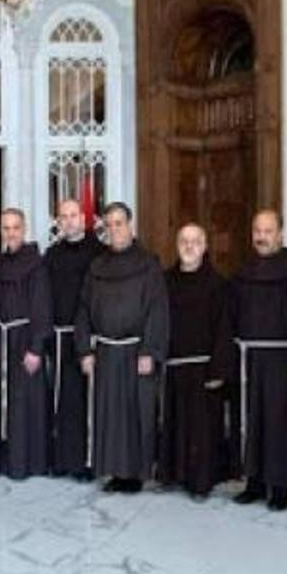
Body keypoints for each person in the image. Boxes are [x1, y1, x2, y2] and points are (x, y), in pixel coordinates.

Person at [75, 202, 168, 494]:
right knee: (110, 415)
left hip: (136, 352)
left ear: (130, 225)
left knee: (136, 413)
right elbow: (83, 309)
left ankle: (135, 474)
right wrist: (84, 350)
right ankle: (115, 471)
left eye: (119, 223)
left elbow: (157, 309)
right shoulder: (97, 266)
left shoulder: (148, 264)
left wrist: (150, 350)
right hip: (105, 351)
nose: (114, 229)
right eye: (109, 225)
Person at [231, 210, 287, 511]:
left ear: (280, 234)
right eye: (257, 231)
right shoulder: (243, 270)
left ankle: (280, 487)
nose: (261, 237)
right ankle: (254, 482)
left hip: (283, 360)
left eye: (268, 231)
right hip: (250, 357)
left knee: (280, 423)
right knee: (253, 420)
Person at [158, 223, 234, 499]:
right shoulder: (164, 281)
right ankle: (173, 474)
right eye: (184, 241)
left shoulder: (218, 284)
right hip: (174, 365)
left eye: (195, 241)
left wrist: (218, 369)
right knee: (175, 422)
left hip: (205, 368)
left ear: (204, 246)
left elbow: (224, 329)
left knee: (202, 428)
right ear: (177, 245)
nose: (189, 246)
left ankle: (201, 481)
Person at [0, 208, 53, 479]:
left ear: (24, 229)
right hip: (3, 341)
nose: (11, 233)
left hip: (25, 341)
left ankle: (27, 463)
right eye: (6, 228)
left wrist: (36, 348)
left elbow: (42, 306)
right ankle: (3, 461)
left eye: (15, 227)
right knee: (4, 403)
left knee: (26, 405)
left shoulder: (36, 265)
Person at [44, 199, 104, 480]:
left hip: (88, 338)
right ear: (58, 222)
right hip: (59, 336)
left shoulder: (99, 253)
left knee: (85, 402)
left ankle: (86, 462)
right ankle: (62, 460)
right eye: (63, 217)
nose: (68, 221)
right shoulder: (52, 255)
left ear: (83, 218)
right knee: (62, 400)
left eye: (73, 216)